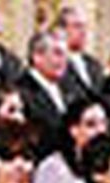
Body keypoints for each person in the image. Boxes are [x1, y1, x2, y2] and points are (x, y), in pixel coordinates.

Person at [31, 97, 109, 183]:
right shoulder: (53, 168)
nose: (100, 130)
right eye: (91, 125)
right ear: (74, 130)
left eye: (103, 123)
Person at [17, 29, 71, 159]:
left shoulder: (68, 89)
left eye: (65, 55)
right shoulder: (22, 91)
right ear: (37, 57)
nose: (64, 61)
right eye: (57, 53)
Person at [54, 5, 104, 102]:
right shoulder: (55, 63)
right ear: (61, 30)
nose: (83, 32)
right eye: (77, 26)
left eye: (85, 27)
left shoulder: (94, 65)